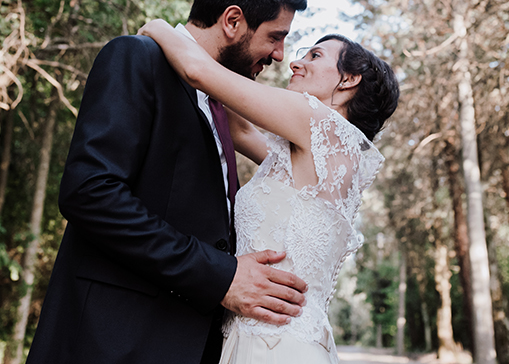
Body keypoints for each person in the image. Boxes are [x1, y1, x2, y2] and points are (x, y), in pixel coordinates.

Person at [26, 0, 310, 364]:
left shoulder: (224, 108)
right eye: (275, 36)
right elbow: (90, 192)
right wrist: (221, 275)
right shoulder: (135, 57)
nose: (281, 55)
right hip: (112, 342)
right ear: (233, 21)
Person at [137, 19, 400, 364]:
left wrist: (157, 26)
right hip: (272, 340)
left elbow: (198, 71)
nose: (295, 62)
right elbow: (242, 130)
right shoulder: (323, 156)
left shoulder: (321, 122)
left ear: (349, 80)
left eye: (315, 55)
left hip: (274, 346)